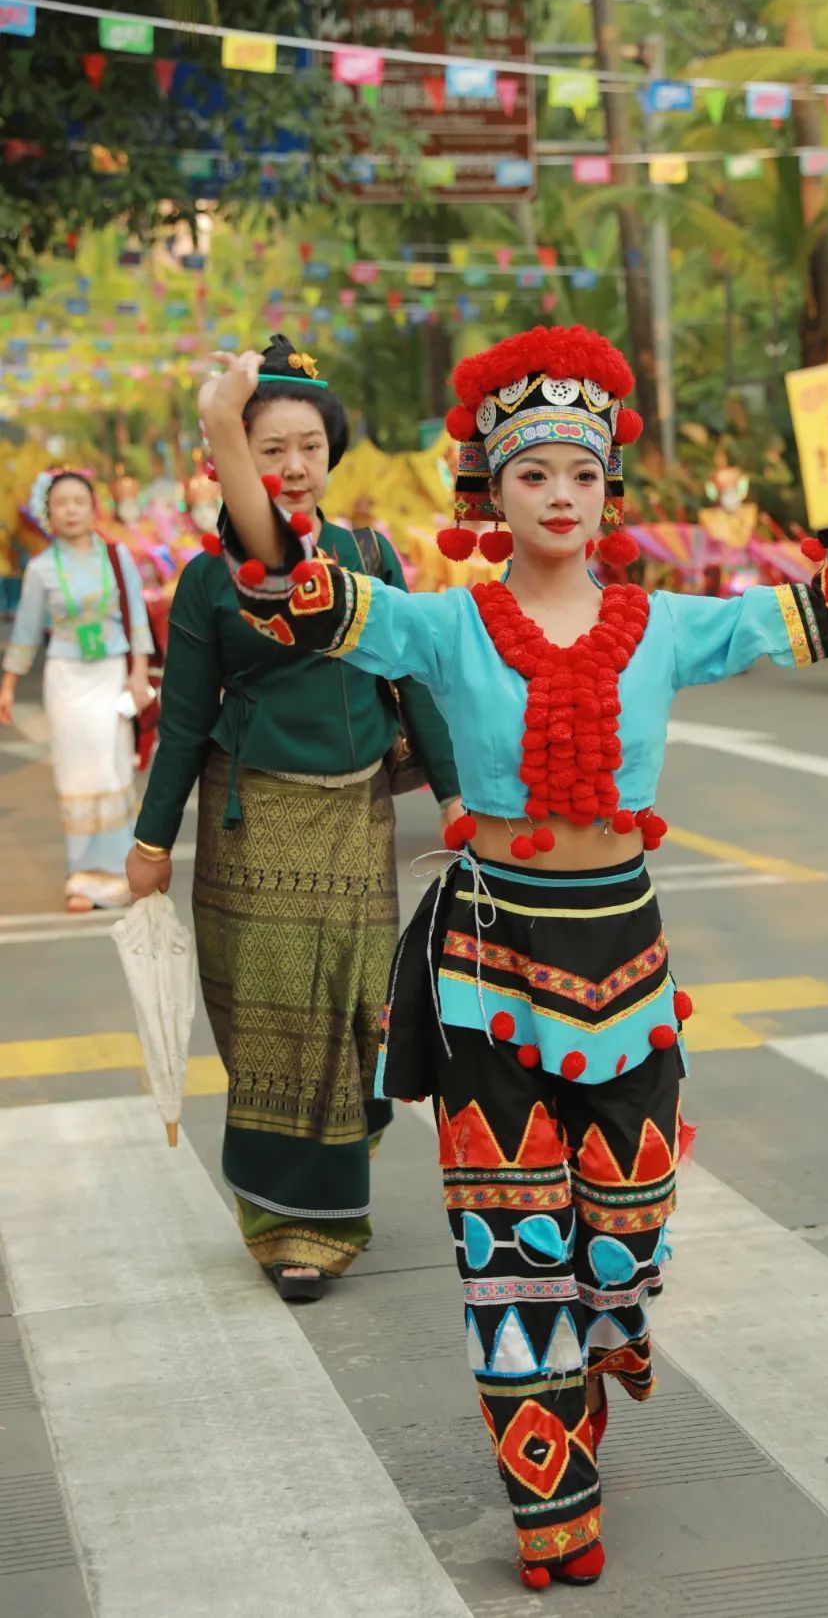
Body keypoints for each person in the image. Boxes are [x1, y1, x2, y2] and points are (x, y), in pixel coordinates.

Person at [203, 326, 828, 1585]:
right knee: (512, 1257)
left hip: (627, 959)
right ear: (490, 497)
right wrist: (233, 434)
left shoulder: (666, 623)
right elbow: (291, 582)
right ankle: (552, 1511)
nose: (562, 496)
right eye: (533, 476)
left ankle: (609, 1328)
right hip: (489, 964)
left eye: (583, 475)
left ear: (611, 492)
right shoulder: (445, 626)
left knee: (625, 1229)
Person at [127, 335, 461, 1303]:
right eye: (268, 448)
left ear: (331, 451)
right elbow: (185, 722)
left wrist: (450, 794)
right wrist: (150, 842)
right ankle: (291, 1225)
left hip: (355, 825)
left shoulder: (371, 556)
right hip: (252, 828)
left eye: (308, 445)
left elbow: (412, 681)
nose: (293, 466)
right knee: (278, 1026)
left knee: (356, 1014)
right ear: (237, 458)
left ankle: (324, 1186)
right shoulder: (214, 578)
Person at [0, 469, 154, 911]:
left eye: (78, 501)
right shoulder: (41, 568)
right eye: (61, 503)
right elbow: (26, 632)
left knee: (112, 770)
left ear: (93, 508)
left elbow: (137, 618)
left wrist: (139, 673)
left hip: (111, 673)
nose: (70, 510)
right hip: (67, 678)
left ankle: (124, 873)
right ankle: (84, 878)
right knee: (77, 774)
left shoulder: (116, 556)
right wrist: (9, 684)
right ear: (48, 514)